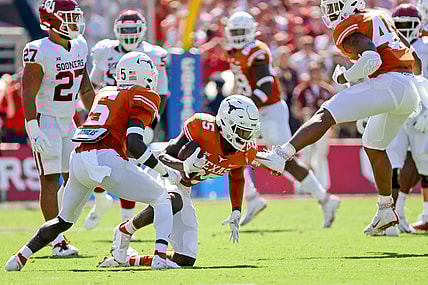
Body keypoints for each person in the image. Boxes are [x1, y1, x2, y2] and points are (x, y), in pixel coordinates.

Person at [4, 51, 182, 272]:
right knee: (163, 198)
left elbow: (125, 142)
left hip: (79, 158)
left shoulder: (105, 93)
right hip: (106, 160)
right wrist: (163, 170)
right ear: (145, 75)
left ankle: (19, 257)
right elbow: (134, 142)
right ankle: (160, 258)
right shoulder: (144, 96)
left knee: (63, 220)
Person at [259, 0, 421, 236]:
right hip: (408, 88)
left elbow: (371, 60)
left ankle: (281, 155)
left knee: (326, 113)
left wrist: (346, 77)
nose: (331, 13)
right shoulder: (381, 15)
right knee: (374, 145)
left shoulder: (351, 25)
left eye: (335, 6)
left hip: (389, 83)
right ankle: (386, 209)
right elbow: (415, 60)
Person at [97, 95, 260, 268]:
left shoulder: (247, 151)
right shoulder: (202, 127)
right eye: (242, 131)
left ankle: (128, 260)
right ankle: (126, 230)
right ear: (226, 123)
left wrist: (236, 210)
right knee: (173, 200)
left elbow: (237, 176)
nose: (247, 137)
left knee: (186, 258)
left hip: (182, 185)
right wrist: (183, 166)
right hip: (166, 172)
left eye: (250, 131)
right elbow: (163, 156)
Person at [223, 11, 340, 227]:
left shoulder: (257, 51)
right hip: (253, 109)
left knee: (284, 160)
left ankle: (325, 199)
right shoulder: (232, 51)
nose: (238, 35)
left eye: (242, 31)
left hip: (269, 109)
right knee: (230, 150)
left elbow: (265, 88)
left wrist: (241, 108)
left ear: (251, 31)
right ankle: (252, 198)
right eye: (235, 31)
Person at [20, 0, 95, 257]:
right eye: (68, 17)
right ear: (51, 21)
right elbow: (27, 93)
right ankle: (56, 241)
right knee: (50, 179)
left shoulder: (80, 45)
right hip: (46, 119)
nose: (74, 22)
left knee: (76, 175)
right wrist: (33, 127)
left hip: (68, 119)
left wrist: (98, 118)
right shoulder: (38, 50)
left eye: (75, 17)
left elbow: (85, 87)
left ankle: (58, 226)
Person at [84, 9, 170, 231]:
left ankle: (126, 220)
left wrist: (151, 119)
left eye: (133, 30)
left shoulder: (153, 54)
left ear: (142, 31)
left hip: (135, 114)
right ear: (116, 31)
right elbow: (93, 85)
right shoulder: (105, 51)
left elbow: (162, 92)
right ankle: (102, 200)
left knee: (127, 165)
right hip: (108, 114)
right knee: (91, 159)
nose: (129, 35)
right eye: (125, 30)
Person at [383, 4, 428, 234]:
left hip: (421, 110)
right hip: (397, 108)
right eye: (399, 25)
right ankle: (393, 213)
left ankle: (425, 213)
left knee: (424, 160)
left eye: (407, 26)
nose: (403, 29)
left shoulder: (426, 47)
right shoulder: (389, 45)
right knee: (394, 158)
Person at [293, 62, 334, 189]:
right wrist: (304, 112)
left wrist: (333, 127)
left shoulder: (327, 90)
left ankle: (323, 186)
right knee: (306, 155)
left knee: (321, 156)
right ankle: (303, 187)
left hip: (325, 125)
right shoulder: (302, 90)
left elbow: (335, 111)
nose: (315, 74)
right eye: (312, 71)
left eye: (317, 71)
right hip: (308, 123)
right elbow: (296, 110)